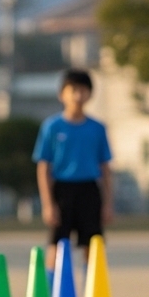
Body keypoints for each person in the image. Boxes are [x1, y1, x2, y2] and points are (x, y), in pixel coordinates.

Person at [33, 69, 113, 278]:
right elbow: (43, 167)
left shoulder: (97, 128)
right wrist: (48, 203)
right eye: (73, 90)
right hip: (62, 190)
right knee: (57, 245)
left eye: (83, 91)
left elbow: (105, 167)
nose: (78, 96)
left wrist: (107, 203)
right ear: (62, 94)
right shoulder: (52, 127)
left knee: (92, 245)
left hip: (89, 189)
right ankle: (51, 296)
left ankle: (91, 295)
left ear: (90, 94)